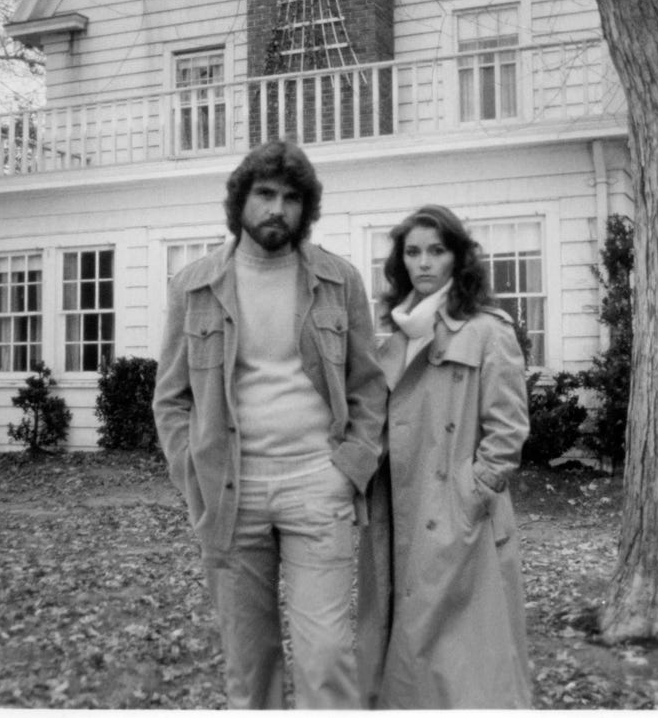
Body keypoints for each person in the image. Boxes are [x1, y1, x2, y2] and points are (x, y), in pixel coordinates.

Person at [153, 140, 387, 709]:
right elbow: (172, 399)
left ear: (306, 208)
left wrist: (350, 467)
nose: (277, 208)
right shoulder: (194, 286)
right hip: (232, 494)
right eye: (264, 194)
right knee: (249, 662)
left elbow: (368, 385)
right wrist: (195, 474)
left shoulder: (339, 281)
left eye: (290, 197)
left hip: (318, 485)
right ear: (240, 201)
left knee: (326, 655)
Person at [357, 203, 533, 709]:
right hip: (401, 510)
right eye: (413, 252)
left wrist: (475, 491)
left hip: (459, 512)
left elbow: (507, 427)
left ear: (458, 257)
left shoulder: (488, 330)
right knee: (411, 644)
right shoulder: (398, 336)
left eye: (436, 250)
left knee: (465, 656)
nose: (424, 262)